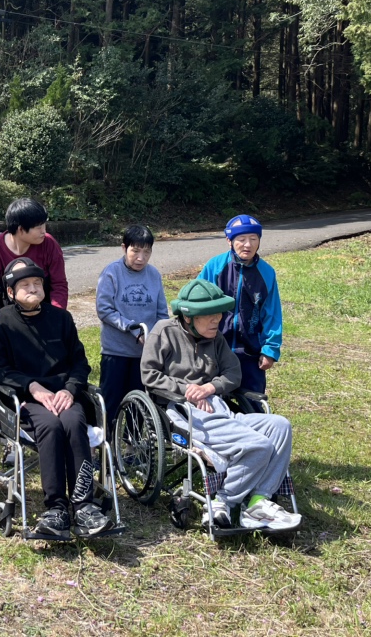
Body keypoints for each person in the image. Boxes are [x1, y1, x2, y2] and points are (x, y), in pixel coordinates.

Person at [140, 279, 300, 531]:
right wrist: (187, 390)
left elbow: (233, 373)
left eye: (219, 314)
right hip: (182, 411)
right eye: (210, 316)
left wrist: (209, 388)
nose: (218, 320)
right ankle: (222, 501)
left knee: (280, 426)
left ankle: (259, 500)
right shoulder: (164, 332)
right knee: (259, 445)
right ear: (189, 317)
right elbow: (149, 375)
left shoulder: (215, 338)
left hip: (218, 409)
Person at [0, 258, 111, 539]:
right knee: (51, 427)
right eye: (25, 285)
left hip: (64, 395)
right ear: (10, 292)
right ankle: (56, 508)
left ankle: (84, 506)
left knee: (74, 422)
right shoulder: (1, 322)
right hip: (26, 399)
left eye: (37, 283)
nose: (33, 289)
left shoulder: (61, 319)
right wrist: (31, 387)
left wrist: (70, 389)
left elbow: (80, 363)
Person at [198, 214, 283, 395]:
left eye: (253, 239)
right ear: (229, 241)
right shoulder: (215, 266)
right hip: (215, 348)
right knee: (213, 400)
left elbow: (272, 313)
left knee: (253, 402)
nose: (248, 245)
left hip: (250, 352)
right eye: (241, 239)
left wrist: (270, 349)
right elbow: (196, 302)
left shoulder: (266, 273)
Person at [95, 224, 169, 425]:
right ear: (124, 248)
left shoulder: (154, 275)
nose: (140, 258)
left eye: (146, 252)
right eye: (135, 251)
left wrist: (156, 338)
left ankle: (132, 441)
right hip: (116, 352)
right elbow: (104, 310)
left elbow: (162, 313)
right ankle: (107, 439)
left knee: (139, 404)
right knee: (111, 403)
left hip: (144, 354)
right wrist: (132, 328)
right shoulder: (111, 273)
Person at [0, 198, 68, 324]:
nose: (44, 231)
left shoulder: (49, 244)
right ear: (20, 229)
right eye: (38, 227)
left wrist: (57, 317)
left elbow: (59, 284)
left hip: (43, 311)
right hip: (6, 315)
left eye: (44, 225)